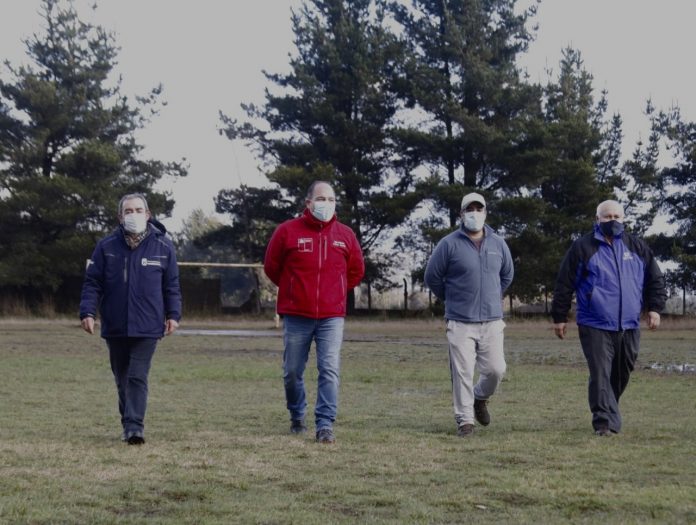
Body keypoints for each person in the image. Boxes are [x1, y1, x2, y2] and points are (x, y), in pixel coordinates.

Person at [551, 200, 666, 436]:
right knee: (601, 372)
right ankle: (604, 423)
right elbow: (564, 282)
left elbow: (655, 278)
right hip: (594, 322)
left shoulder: (637, 246)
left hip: (629, 324)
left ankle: (608, 409)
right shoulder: (583, 247)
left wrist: (655, 308)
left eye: (616, 216)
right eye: (607, 217)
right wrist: (559, 316)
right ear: (597, 219)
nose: (612, 220)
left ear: (623, 219)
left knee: (622, 372)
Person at [264, 181, 364, 444]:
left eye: (331, 199)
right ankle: (297, 415)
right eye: (321, 199)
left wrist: (335, 291)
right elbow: (272, 267)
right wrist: (293, 290)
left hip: (331, 316)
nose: (326, 204)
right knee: (292, 371)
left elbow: (356, 271)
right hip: (297, 315)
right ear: (308, 203)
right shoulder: (287, 231)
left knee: (329, 369)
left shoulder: (346, 235)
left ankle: (325, 424)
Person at [79, 193, 181, 445]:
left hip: (148, 325)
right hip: (115, 324)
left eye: (138, 210)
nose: (133, 214)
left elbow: (171, 285)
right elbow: (93, 283)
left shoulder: (164, 246)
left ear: (148, 214)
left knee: (137, 375)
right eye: (128, 211)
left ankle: (135, 427)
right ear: (120, 217)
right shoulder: (106, 247)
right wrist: (87, 312)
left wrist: (173, 314)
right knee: (122, 377)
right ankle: (128, 422)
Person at [424, 192, 514, 437]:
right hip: (460, 321)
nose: (475, 213)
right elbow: (432, 277)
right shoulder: (448, 244)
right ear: (461, 214)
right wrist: (452, 297)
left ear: (485, 212)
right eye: (469, 209)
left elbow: (507, 275)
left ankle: (479, 398)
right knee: (462, 372)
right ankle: (465, 421)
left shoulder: (498, 244)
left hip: (492, 320)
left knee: (496, 370)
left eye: (479, 209)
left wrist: (492, 295)